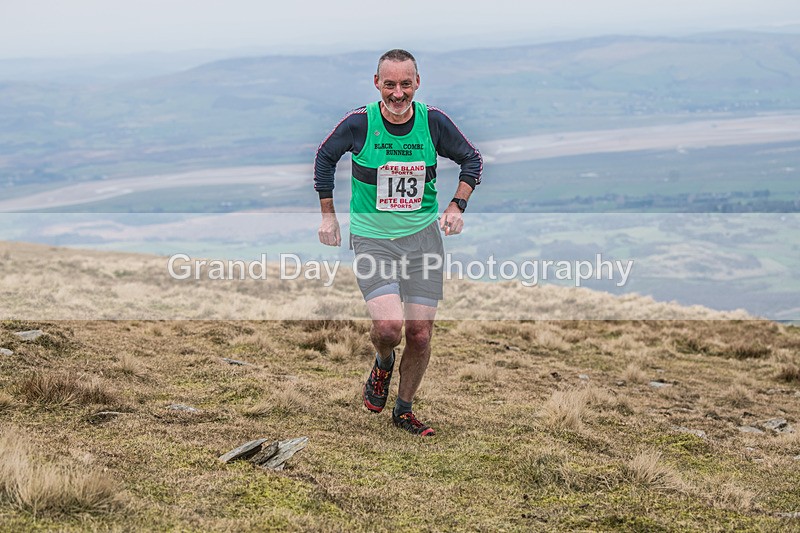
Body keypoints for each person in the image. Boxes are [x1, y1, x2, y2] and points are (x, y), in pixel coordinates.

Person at [314, 49, 482, 436]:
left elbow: (472, 160)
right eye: (389, 84)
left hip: (423, 239)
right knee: (389, 328)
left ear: (417, 84)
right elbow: (325, 157)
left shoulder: (433, 122)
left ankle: (403, 410)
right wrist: (328, 215)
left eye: (405, 84)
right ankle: (383, 362)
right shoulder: (360, 124)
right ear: (377, 84)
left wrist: (457, 206)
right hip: (374, 239)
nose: (397, 93)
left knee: (420, 334)